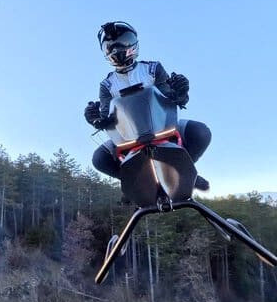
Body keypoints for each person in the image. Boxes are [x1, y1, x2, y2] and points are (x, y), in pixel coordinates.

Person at [84, 21, 211, 191]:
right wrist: (94, 118)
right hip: (126, 137)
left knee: (201, 133)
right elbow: (106, 115)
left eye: (123, 41)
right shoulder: (107, 85)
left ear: (133, 43)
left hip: (164, 126)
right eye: (111, 46)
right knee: (99, 159)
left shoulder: (153, 68)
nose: (117, 48)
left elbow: (169, 96)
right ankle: (132, 183)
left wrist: (181, 91)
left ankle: (187, 171)